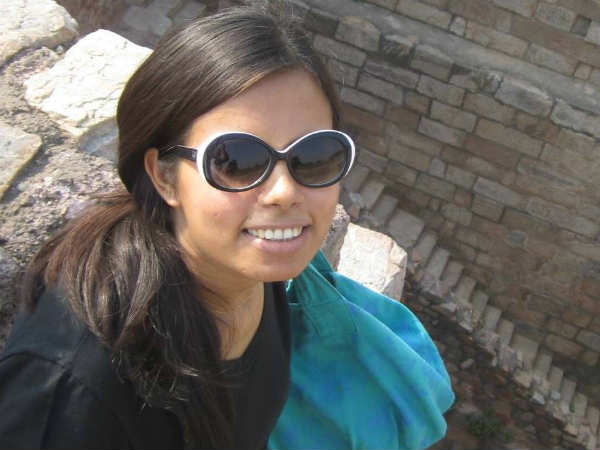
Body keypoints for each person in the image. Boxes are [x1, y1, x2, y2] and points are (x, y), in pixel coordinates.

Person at [0, 3, 454, 449]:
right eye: (237, 161)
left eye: (313, 156)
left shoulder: (252, 271)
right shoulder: (76, 392)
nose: (284, 192)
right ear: (164, 177)